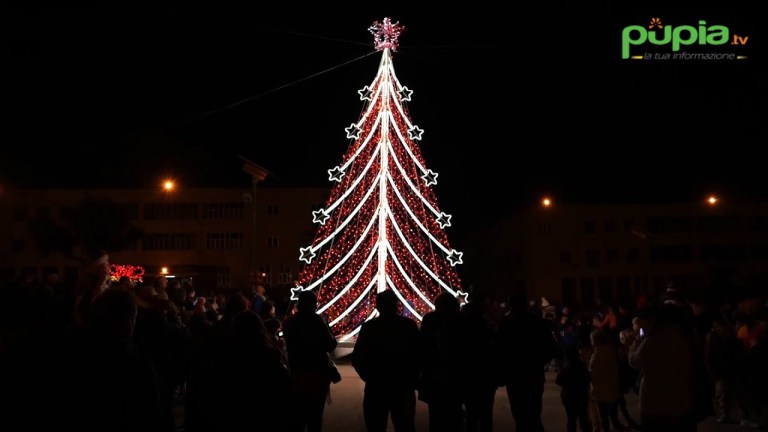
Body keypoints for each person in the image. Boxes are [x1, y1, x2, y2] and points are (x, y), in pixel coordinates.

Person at [352, 289, 420, 432]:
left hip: (377, 386)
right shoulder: (408, 326)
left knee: (376, 425)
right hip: (402, 385)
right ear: (396, 304)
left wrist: (369, 377)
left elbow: (358, 357)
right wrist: (412, 378)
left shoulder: (370, 327)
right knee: (405, 425)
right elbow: (419, 355)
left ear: (378, 306)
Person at [493, 291, 556, 432]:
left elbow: (499, 349)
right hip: (533, 373)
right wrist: (539, 361)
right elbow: (550, 347)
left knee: (520, 414)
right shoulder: (537, 321)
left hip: (515, 375)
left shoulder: (506, 323)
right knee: (533, 413)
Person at [282, 290, 338, 432]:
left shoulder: (289, 322)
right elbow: (330, 345)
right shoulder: (316, 320)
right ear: (313, 304)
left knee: (298, 416)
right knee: (315, 417)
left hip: (297, 372)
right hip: (317, 374)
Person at [556, 345, 592, 432]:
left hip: (569, 397)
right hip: (581, 396)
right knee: (583, 419)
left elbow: (558, 381)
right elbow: (588, 378)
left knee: (571, 421)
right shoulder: (582, 365)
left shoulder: (566, 367)